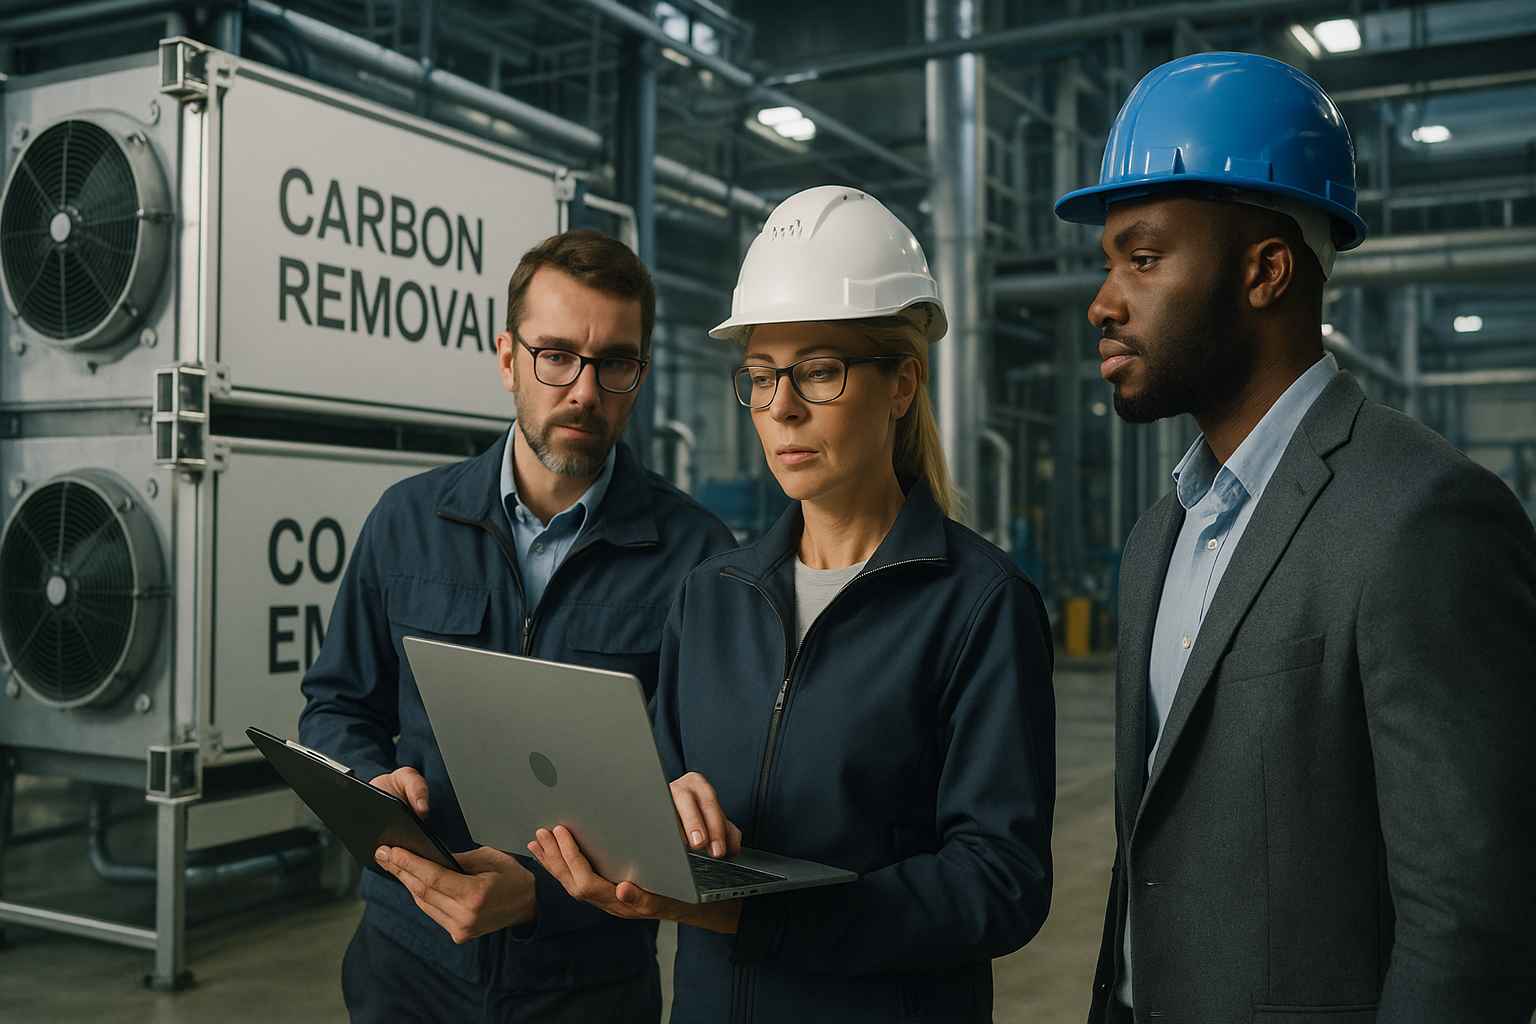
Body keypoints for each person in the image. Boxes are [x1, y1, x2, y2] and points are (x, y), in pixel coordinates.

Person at [1052, 52, 1536, 1022]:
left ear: (1266, 271)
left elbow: (1471, 929)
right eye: (1110, 263)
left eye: (1142, 259)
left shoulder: (1423, 518)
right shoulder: (1158, 539)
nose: (1102, 302)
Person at [529, 186, 1057, 1023]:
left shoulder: (979, 605)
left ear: (902, 384)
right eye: (763, 374)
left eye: (818, 371)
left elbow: (1001, 882)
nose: (782, 407)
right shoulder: (712, 594)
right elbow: (664, 781)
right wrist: (660, 811)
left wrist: (764, 918)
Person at [298, 228, 736, 1023]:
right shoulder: (406, 522)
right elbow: (336, 705)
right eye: (556, 356)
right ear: (508, 358)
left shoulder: (697, 558)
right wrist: (370, 785)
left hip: (586, 981)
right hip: (408, 959)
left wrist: (541, 894)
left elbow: (698, 786)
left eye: (615, 364)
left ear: (639, 375)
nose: (585, 391)